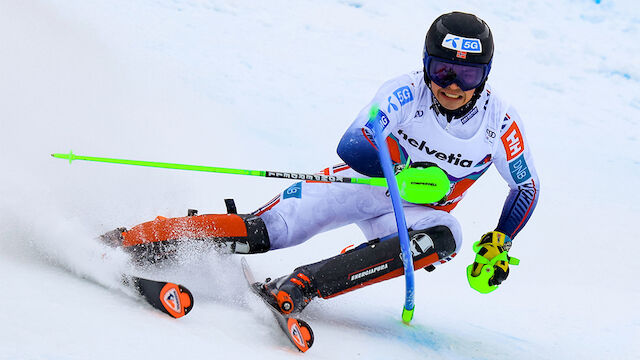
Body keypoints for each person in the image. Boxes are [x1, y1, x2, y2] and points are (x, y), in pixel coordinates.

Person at [101, 11, 539, 314]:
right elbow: (352, 144)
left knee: (447, 235)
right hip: (360, 184)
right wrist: (402, 169)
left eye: (468, 76)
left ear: (486, 75)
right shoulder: (405, 92)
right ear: (426, 65)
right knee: (268, 232)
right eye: (443, 70)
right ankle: (133, 239)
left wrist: (501, 240)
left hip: (413, 213)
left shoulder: (500, 122)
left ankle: (304, 284)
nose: (453, 86)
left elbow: (526, 187)